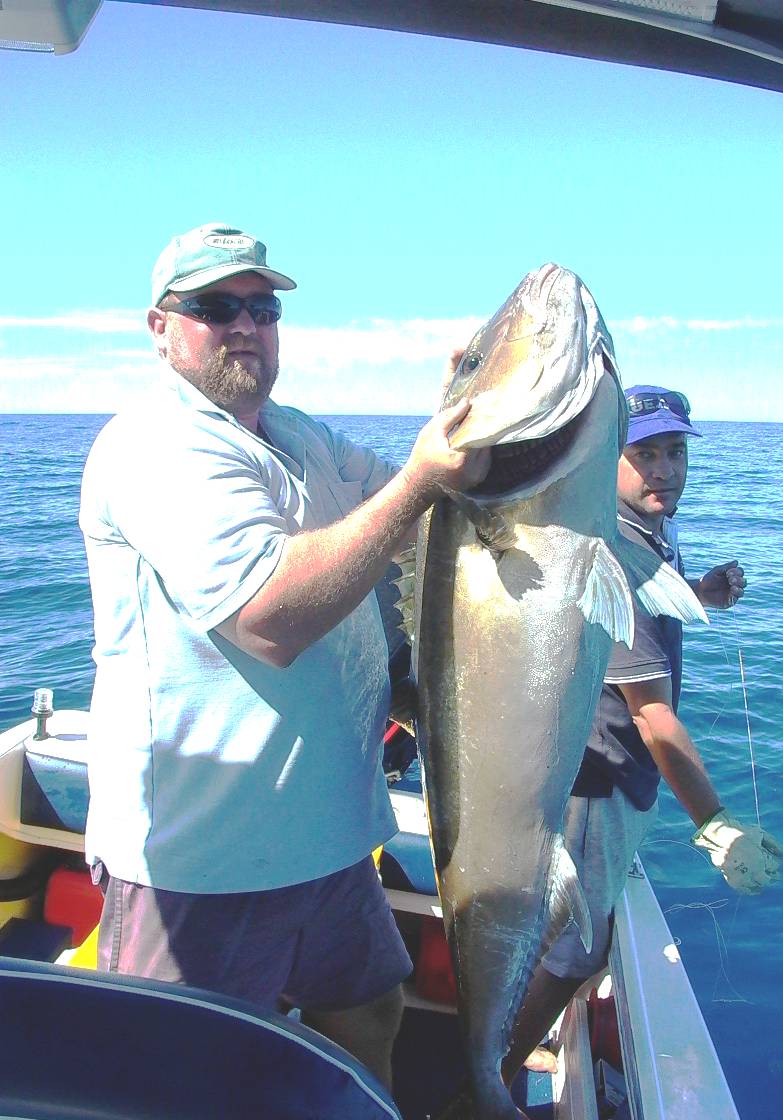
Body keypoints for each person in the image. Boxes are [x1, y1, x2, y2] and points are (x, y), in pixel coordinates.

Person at [78, 222, 490, 1088]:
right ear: (160, 326)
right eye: (214, 306)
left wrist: (468, 406)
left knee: (369, 1017)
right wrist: (424, 478)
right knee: (181, 1086)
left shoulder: (298, 434)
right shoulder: (158, 444)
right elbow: (269, 615)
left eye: (261, 308)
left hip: (328, 837)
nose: (245, 326)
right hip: (202, 862)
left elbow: (417, 515)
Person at [502, 384, 783, 1081]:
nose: (664, 470)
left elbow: (660, 600)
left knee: (554, 936)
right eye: (644, 453)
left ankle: (500, 1044)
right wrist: (715, 825)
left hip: (598, 777)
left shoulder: (648, 523)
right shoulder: (620, 551)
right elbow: (652, 716)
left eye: (674, 452)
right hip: (595, 783)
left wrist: (708, 594)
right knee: (575, 951)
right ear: (609, 460)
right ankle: (490, 1076)